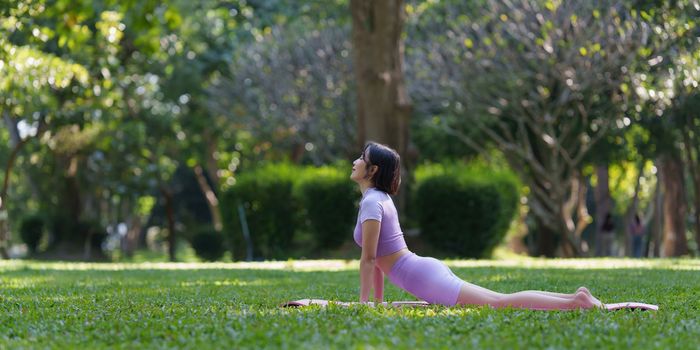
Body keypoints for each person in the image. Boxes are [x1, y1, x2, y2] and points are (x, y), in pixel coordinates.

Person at [350, 142, 602, 309]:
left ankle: (575, 302)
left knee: (498, 303)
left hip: (420, 276)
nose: (355, 161)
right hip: (421, 271)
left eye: (362, 158)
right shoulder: (379, 199)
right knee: (497, 299)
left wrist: (364, 303)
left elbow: (370, 259)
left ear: (372, 170)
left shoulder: (373, 202)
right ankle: (575, 297)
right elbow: (378, 260)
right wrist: (377, 301)